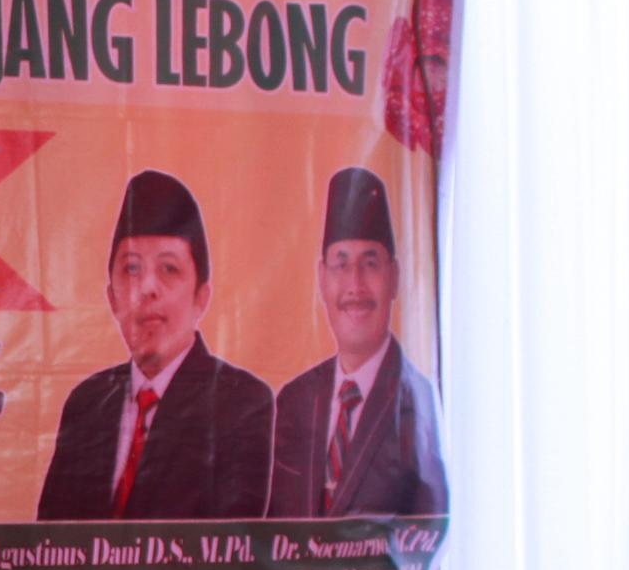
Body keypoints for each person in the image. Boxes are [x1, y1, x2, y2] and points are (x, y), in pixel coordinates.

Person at [36, 170, 274, 521]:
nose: (147, 288)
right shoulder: (86, 403)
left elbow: (230, 544)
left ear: (201, 297)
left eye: (169, 269)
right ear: (112, 298)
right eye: (132, 269)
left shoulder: (242, 403)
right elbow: (50, 537)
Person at [267, 166, 447, 519]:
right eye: (341, 264)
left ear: (394, 277)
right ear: (322, 279)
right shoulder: (295, 399)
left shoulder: (416, 400)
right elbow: (275, 531)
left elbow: (429, 531)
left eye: (370, 263)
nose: (355, 285)